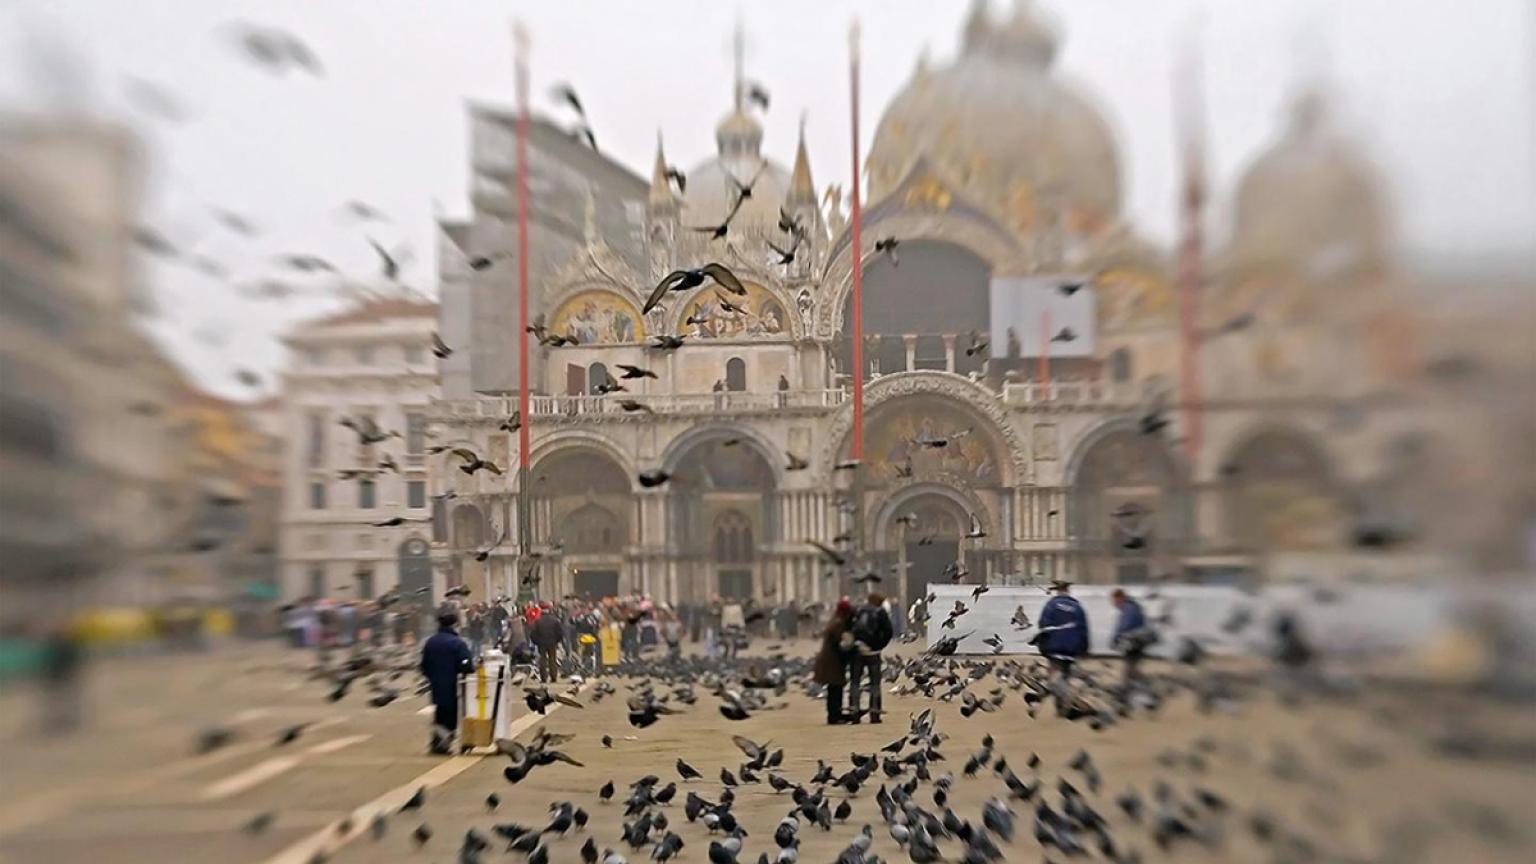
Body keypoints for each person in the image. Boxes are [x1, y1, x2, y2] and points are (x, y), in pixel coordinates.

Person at [419, 611, 473, 754]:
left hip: (436, 684)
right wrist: (468, 669)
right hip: (452, 684)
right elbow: (466, 663)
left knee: (439, 714)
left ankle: (436, 743)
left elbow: (424, 665)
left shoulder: (430, 642)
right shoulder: (457, 643)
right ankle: (444, 744)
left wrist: (432, 677)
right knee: (450, 716)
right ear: (454, 625)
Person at [1035, 578, 1090, 711]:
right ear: (1068, 590)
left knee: (1055, 675)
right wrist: (1084, 647)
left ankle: (1061, 704)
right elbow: (1083, 628)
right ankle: (1065, 704)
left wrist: (1042, 644)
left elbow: (1043, 624)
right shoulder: (1077, 607)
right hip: (1071, 648)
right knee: (1065, 674)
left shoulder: (1051, 605)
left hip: (1054, 646)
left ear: (1057, 591)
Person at [848, 592, 894, 724]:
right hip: (873, 653)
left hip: (857, 651)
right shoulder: (881, 613)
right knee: (875, 684)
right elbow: (888, 632)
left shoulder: (858, 610)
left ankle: (854, 712)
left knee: (855, 682)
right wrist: (878, 646)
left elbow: (850, 628)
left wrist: (855, 644)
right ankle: (875, 713)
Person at [814, 598, 856, 725]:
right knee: (835, 688)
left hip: (830, 660)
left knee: (835, 688)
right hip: (832, 661)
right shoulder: (838, 623)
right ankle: (834, 715)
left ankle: (835, 713)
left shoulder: (835, 620)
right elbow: (842, 642)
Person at [1109, 588, 1154, 688]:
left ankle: (1140, 686)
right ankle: (1129, 686)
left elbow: (1125, 626)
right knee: (1130, 667)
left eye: (1114, 600)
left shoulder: (1129, 608)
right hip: (1136, 642)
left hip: (1134, 642)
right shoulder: (1131, 607)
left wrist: (1115, 639)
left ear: (1119, 598)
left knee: (1131, 666)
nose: (1113, 603)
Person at [530, 603, 564, 682]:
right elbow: (560, 633)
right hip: (552, 643)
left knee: (543, 660)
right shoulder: (555, 620)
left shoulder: (538, 621)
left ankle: (543, 677)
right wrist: (556, 641)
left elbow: (533, 634)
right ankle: (553, 677)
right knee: (552, 660)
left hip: (541, 644)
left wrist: (537, 642)